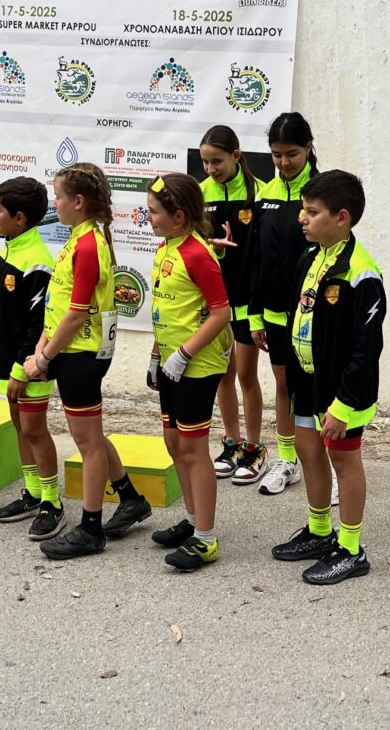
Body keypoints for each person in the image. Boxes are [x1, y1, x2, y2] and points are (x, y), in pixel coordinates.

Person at [24, 163, 151, 558]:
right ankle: (131, 498)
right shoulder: (79, 238)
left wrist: (43, 358)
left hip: (81, 353)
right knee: (92, 436)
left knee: (88, 444)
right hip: (72, 349)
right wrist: (42, 347)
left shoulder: (88, 244)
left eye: (58, 197)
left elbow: (77, 314)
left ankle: (90, 529)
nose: (55, 204)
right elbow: (58, 305)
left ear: (78, 202)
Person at [271, 170, 385, 584]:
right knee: (307, 449)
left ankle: (351, 549)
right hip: (307, 379)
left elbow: (365, 349)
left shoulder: (361, 273)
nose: (302, 218)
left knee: (344, 461)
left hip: (341, 390)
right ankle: (320, 531)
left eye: (312, 211)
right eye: (303, 209)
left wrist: (344, 404)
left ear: (342, 217)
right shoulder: (311, 256)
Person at [143, 174, 233, 572]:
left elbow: (221, 313)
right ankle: (194, 520)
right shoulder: (165, 248)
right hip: (170, 361)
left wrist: (184, 353)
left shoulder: (198, 254)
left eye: (154, 211)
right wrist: (156, 355)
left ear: (178, 216)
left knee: (194, 449)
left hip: (197, 364)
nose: (148, 217)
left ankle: (206, 539)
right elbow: (165, 308)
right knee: (173, 442)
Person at [0, 178, 65, 542]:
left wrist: (21, 369)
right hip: (8, 362)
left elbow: (39, 324)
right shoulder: (12, 248)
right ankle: (33, 492)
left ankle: (52, 502)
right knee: (20, 426)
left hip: (29, 365)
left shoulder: (36, 259)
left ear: (19, 218)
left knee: (34, 429)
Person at [248, 112, 321, 497]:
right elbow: (256, 257)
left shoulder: (323, 192)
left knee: (318, 387)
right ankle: (288, 459)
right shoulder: (265, 194)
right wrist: (255, 314)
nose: (284, 162)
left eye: (291, 153)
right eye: (276, 155)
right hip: (274, 312)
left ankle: (326, 464)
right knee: (284, 384)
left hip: (314, 311)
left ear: (308, 147)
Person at [199, 126, 268, 485]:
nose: (211, 169)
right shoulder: (200, 194)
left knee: (245, 375)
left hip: (248, 301)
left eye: (217, 161)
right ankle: (232, 443)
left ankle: (254, 448)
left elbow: (264, 251)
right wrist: (213, 248)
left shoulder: (259, 192)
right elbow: (193, 248)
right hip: (217, 304)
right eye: (205, 162)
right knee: (223, 375)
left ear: (236, 156)